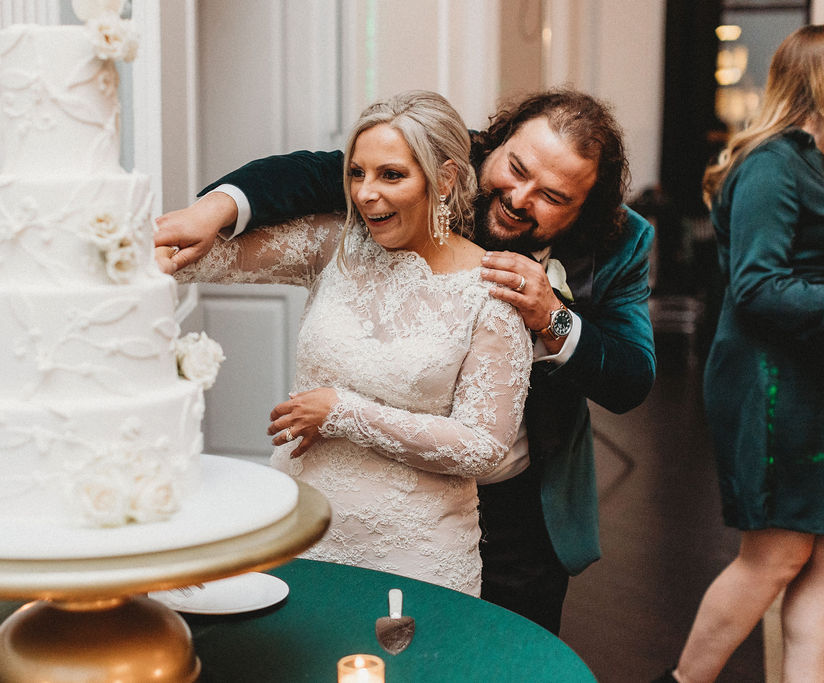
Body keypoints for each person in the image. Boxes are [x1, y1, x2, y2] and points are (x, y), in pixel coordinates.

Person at [156, 88, 656, 633]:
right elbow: (310, 173)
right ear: (489, 149)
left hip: (517, 497)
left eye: (552, 197)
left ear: (585, 210)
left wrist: (551, 315)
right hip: (328, 505)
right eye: (515, 168)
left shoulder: (618, 243)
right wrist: (209, 212)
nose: (518, 197)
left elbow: (630, 376)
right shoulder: (427, 160)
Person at [159, 90, 532, 596]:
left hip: (414, 558)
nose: (365, 193)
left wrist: (343, 413)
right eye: (358, 173)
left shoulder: (493, 293)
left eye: (391, 175)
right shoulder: (335, 246)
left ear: (444, 179)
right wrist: (149, 239)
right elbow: (203, 259)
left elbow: (484, 448)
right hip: (300, 530)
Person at [657, 26, 824, 683]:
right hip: (772, 383)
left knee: (815, 556)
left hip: (812, 377)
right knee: (776, 554)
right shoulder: (772, 164)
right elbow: (757, 288)